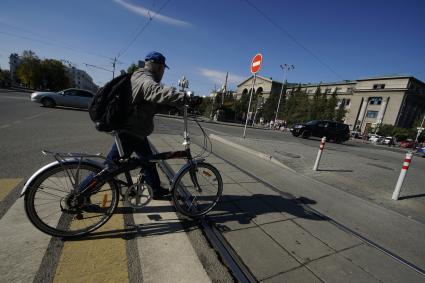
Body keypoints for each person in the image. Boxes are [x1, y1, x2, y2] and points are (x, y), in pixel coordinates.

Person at [83, 51, 201, 200]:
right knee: (109, 168)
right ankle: (81, 195)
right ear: (159, 67)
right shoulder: (145, 78)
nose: (163, 72)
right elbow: (155, 92)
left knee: (149, 161)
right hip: (130, 132)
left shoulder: (140, 77)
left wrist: (173, 107)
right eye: (163, 68)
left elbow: (150, 104)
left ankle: (156, 190)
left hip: (137, 132)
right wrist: (186, 98)